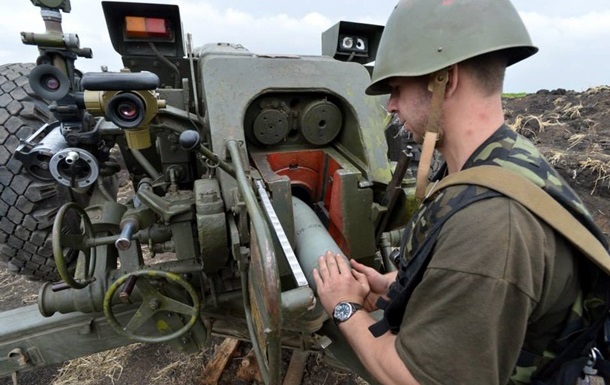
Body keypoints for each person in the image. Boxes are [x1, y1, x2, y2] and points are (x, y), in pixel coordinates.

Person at [313, 0, 606, 384]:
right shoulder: (506, 160)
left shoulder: (490, 224)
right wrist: (399, 285)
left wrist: (344, 307)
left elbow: (413, 379)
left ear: (444, 80)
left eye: (398, 87)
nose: (391, 105)